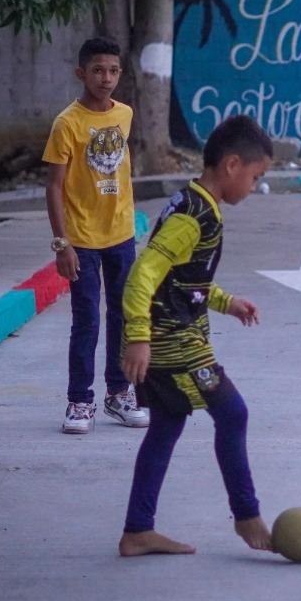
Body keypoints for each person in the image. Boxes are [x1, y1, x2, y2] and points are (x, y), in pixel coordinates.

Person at [117, 115, 274, 556]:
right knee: (233, 414)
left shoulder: (193, 201)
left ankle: (137, 530)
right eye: (255, 176)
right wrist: (139, 337)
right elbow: (143, 275)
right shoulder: (196, 214)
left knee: (166, 426)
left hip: (174, 339)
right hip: (175, 347)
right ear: (231, 165)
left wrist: (226, 302)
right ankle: (247, 517)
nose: (255, 186)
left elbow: (183, 278)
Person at [42, 36, 149, 434]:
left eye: (113, 71)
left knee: (123, 316)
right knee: (86, 320)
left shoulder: (125, 114)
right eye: (98, 70)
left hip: (120, 235)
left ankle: (119, 394)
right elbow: (54, 186)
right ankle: (79, 401)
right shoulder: (67, 123)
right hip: (82, 239)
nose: (106, 78)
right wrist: (62, 243)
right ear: (81, 73)